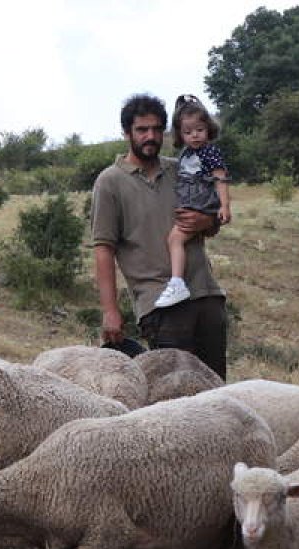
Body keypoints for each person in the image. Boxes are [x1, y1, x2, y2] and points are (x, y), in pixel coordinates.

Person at [91, 94, 228, 380]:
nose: (150, 136)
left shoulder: (182, 168)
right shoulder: (110, 182)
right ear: (127, 132)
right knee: (175, 399)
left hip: (206, 294)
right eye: (142, 130)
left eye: (156, 129)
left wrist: (207, 219)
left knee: (217, 393)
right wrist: (110, 311)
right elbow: (104, 247)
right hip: (160, 305)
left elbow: (214, 218)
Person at [154, 95, 231, 309]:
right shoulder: (186, 154)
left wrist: (224, 206)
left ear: (208, 128)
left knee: (174, 239)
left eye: (199, 130)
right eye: (188, 132)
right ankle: (179, 281)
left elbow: (221, 177)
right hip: (191, 203)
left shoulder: (210, 152)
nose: (194, 135)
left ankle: (177, 283)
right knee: (177, 240)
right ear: (180, 134)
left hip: (202, 203)